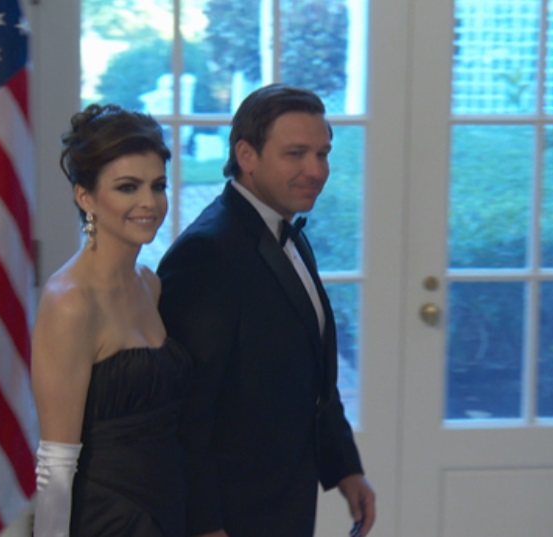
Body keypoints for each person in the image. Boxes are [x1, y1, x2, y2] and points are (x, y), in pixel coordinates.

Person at [157, 83, 376, 537]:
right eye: (296, 154)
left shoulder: (289, 232)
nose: (316, 170)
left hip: (286, 503)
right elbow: (185, 412)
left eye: (323, 153)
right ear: (246, 154)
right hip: (235, 517)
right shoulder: (207, 253)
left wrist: (346, 468)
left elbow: (314, 375)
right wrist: (204, 526)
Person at [31, 104, 191, 536]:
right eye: (127, 187)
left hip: (169, 511)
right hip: (108, 520)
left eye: (157, 186)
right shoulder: (69, 303)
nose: (149, 202)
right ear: (85, 197)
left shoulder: (148, 284)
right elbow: (56, 464)